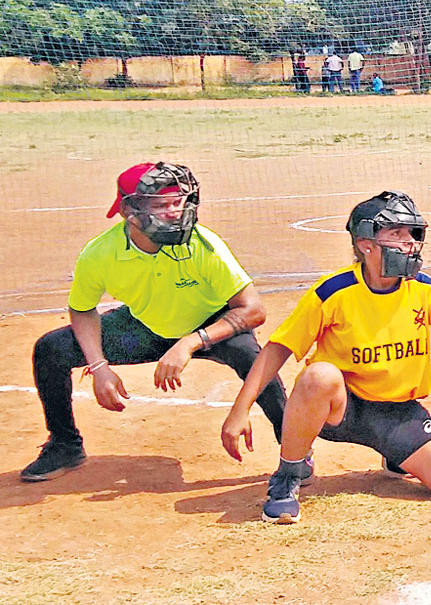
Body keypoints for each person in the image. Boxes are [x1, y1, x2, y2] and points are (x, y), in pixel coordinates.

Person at [220, 191, 431, 524]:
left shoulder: (425, 290)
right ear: (365, 243)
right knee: (319, 375)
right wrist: (240, 410)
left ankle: (397, 453)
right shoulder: (334, 292)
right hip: (342, 409)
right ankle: (289, 473)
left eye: (413, 234)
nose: (409, 243)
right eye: (396, 233)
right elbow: (278, 348)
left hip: (397, 413)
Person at [21, 162, 289, 482]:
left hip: (210, 327)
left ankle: (294, 450)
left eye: (178, 202)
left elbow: (253, 310)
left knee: (252, 358)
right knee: (51, 348)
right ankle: (65, 445)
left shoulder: (203, 244)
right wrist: (99, 366)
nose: (175, 213)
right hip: (145, 329)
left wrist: (190, 342)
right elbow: (82, 309)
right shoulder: (100, 254)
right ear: (128, 212)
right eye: (161, 206)